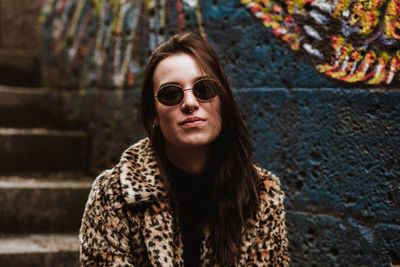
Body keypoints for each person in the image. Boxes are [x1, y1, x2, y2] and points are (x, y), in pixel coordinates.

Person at [79, 32, 289, 266]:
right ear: (154, 115)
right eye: (171, 94)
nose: (190, 103)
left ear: (223, 101)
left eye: (204, 89)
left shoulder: (260, 193)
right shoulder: (114, 193)